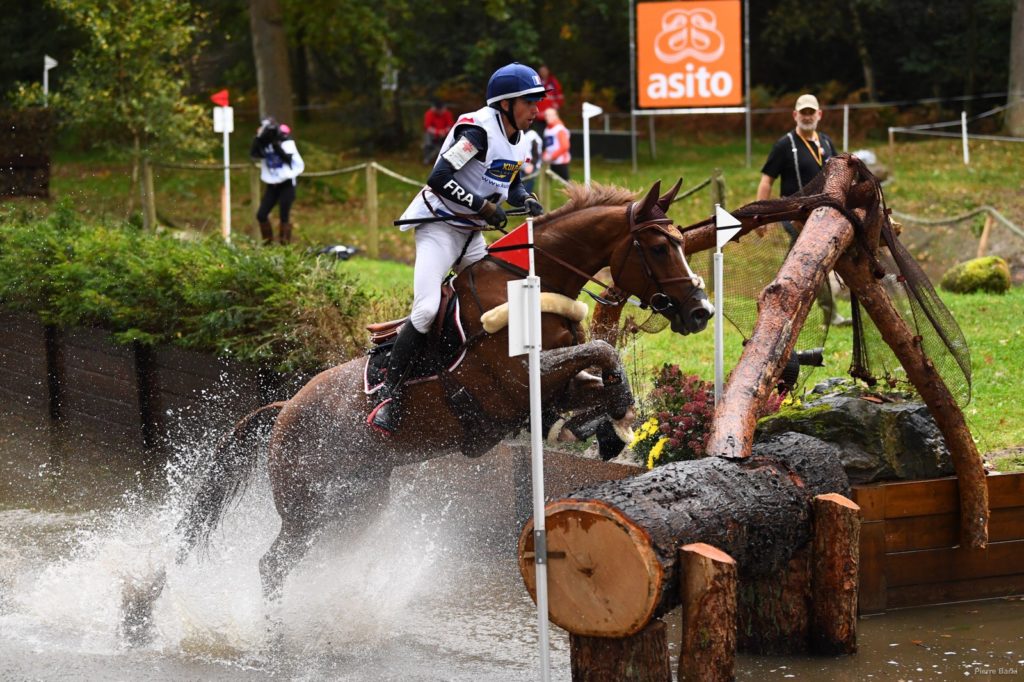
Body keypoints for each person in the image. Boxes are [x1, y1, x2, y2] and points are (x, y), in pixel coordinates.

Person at [369, 63, 548, 435]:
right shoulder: (476, 131)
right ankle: (388, 394)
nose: (536, 109)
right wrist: (484, 207)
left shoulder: (518, 136)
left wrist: (524, 198)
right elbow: (438, 179)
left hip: (471, 236)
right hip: (440, 228)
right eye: (530, 102)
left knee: (496, 298)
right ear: (507, 104)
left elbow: (508, 181)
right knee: (427, 308)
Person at [756, 93, 847, 325]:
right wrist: (761, 217)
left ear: (819, 114)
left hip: (823, 215)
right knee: (811, 258)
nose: (807, 116)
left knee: (800, 262)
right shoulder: (784, 145)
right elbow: (767, 180)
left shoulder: (826, 142)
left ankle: (779, 303)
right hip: (793, 213)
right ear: (795, 115)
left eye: (811, 112)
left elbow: (838, 176)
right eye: (803, 112)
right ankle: (823, 314)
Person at [251, 118, 304, 245]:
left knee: (284, 216)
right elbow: (254, 154)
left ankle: (285, 248)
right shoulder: (263, 144)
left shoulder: (286, 143)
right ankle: (267, 246)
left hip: (287, 184)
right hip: (272, 185)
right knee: (261, 214)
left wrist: (277, 145)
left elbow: (288, 159)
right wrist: (258, 139)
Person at [542, 107, 571, 181]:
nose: (547, 117)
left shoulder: (559, 129)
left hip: (561, 162)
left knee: (566, 183)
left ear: (556, 116)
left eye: (550, 115)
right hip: (550, 161)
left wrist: (553, 156)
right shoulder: (546, 129)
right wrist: (545, 154)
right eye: (546, 115)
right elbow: (548, 145)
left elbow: (565, 146)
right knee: (547, 183)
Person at [422, 99, 454, 165]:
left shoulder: (447, 113)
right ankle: (427, 159)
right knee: (427, 144)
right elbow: (428, 127)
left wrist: (444, 132)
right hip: (432, 134)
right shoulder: (429, 113)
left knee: (445, 147)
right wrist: (438, 132)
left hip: (444, 135)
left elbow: (450, 126)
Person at [521, 126, 543, 193]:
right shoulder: (520, 134)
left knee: (527, 189)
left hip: (531, 165)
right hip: (523, 165)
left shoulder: (531, 135)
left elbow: (535, 152)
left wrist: (531, 164)